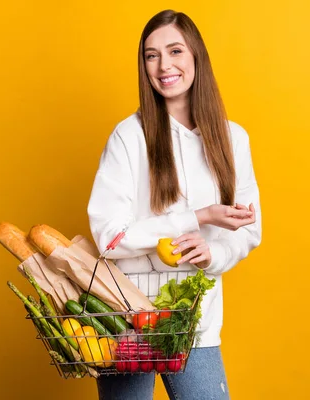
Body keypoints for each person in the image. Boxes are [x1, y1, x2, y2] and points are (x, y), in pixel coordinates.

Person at [87, 9, 262, 400]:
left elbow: (250, 231)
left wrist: (211, 252)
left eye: (175, 51)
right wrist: (197, 218)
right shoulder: (129, 137)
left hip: (195, 324)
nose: (164, 65)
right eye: (151, 55)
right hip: (126, 321)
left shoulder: (233, 140)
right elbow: (108, 237)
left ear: (196, 56)